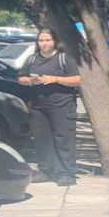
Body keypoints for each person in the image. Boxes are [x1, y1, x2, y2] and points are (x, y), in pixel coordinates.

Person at [18, 29, 83, 186]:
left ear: (54, 42)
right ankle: (46, 170)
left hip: (61, 106)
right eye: (41, 40)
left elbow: (77, 80)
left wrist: (54, 79)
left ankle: (66, 172)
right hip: (38, 107)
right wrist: (30, 81)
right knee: (42, 139)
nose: (44, 43)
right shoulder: (32, 59)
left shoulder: (64, 58)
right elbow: (21, 78)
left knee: (63, 139)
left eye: (47, 40)